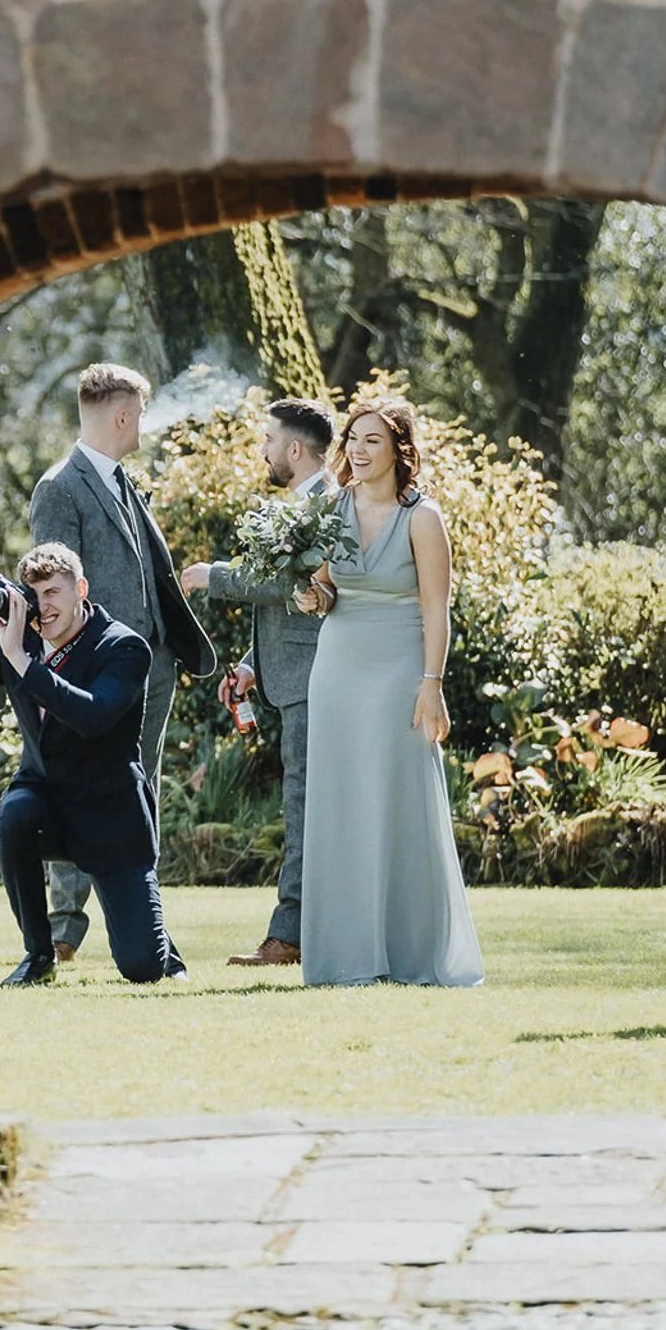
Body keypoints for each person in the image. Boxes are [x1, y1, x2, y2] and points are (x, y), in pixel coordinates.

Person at [0, 542, 187, 986]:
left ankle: (158, 943)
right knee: (14, 814)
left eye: (53, 593)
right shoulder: (17, 641)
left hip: (110, 813)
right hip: (45, 804)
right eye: (34, 595)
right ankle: (38, 954)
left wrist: (22, 662)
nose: (44, 607)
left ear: (80, 589)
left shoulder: (123, 647)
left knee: (142, 966)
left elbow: (92, 716)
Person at [293, 395, 484, 988]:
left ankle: (410, 951)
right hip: (339, 667)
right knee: (341, 801)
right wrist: (312, 597)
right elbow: (326, 589)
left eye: (372, 439)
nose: (357, 449)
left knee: (399, 803)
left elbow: (437, 610)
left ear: (401, 450)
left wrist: (433, 685)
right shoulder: (331, 507)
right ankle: (345, 955)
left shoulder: (424, 518)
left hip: (402, 667)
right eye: (353, 438)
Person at [30, 363, 215, 963]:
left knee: (139, 794)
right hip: (94, 673)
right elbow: (48, 591)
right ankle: (62, 930)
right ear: (122, 415)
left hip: (151, 665)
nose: (143, 427)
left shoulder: (123, 481)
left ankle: (145, 925)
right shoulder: (59, 486)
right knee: (77, 786)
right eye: (139, 415)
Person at [181, 397, 336, 967]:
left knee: (302, 809)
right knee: (302, 808)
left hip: (315, 682)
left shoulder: (327, 505)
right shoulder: (302, 503)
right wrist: (250, 664)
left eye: (269, 440)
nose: (264, 450)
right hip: (289, 677)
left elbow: (290, 582)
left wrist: (213, 575)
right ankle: (303, 928)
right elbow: (293, 605)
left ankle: (290, 934)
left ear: (295, 449)